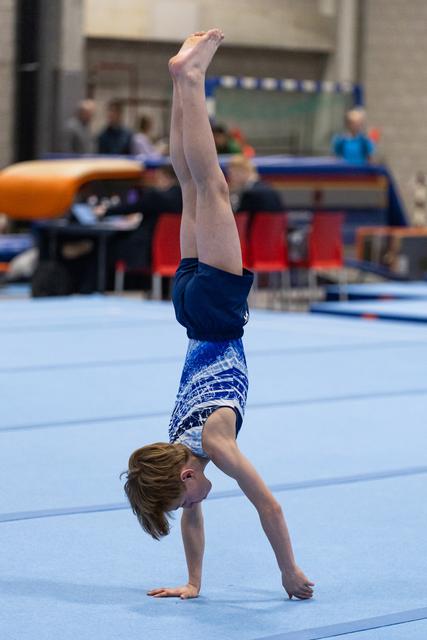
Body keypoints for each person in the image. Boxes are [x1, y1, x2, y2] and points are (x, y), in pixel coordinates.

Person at [122, 29, 314, 601]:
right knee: (188, 183)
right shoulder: (180, 443)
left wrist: (287, 571)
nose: (192, 506)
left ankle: (191, 77)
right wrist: (194, 582)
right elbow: (192, 517)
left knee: (211, 183)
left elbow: (268, 503)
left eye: (185, 497)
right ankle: (180, 79)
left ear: (185, 476)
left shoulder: (214, 445)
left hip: (216, 312)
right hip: (187, 307)